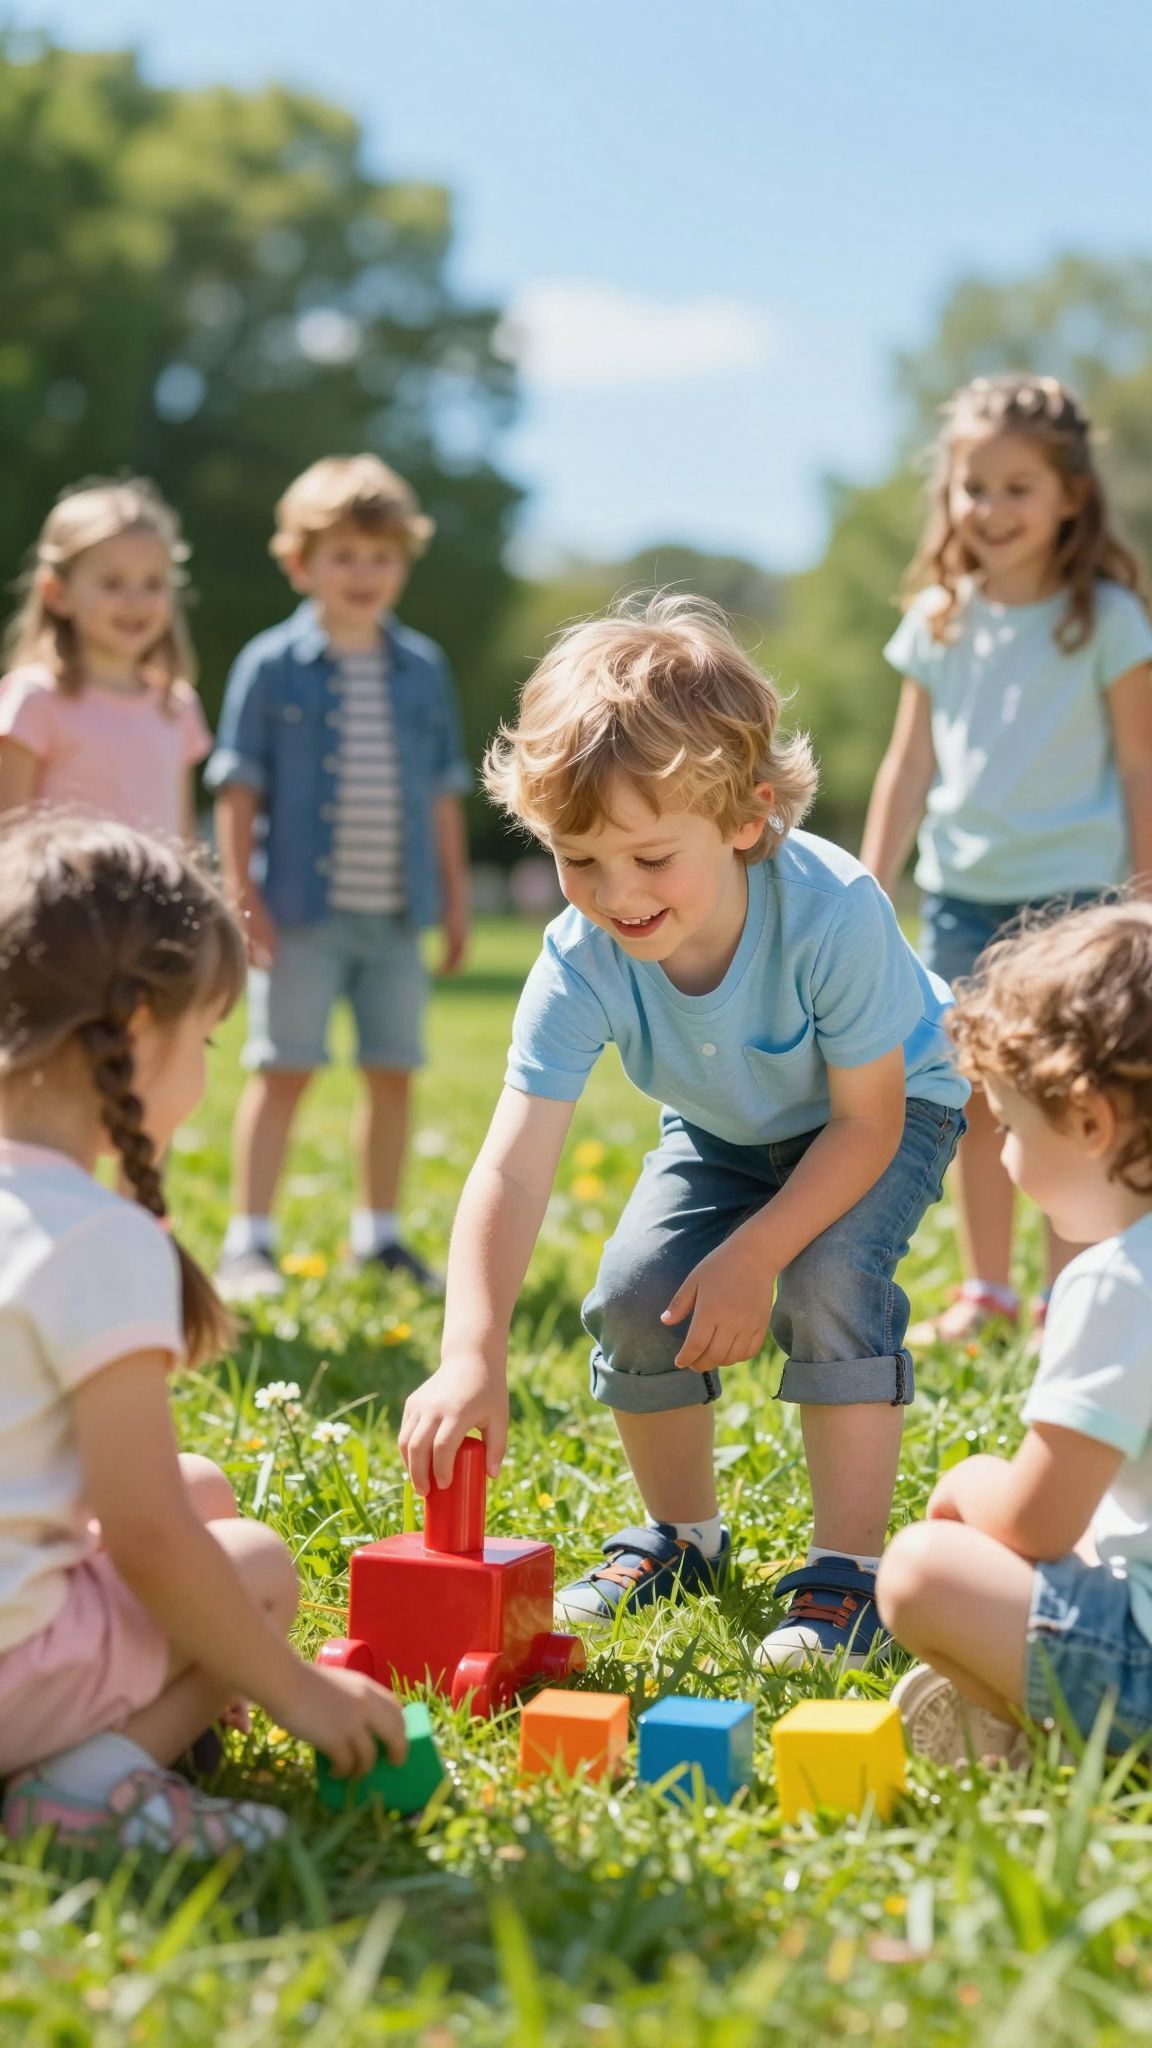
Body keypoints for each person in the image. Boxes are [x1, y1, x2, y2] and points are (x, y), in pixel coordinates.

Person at [400, 595, 968, 1669]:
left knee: (827, 1279)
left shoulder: (834, 911)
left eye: (651, 858)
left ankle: (847, 1572)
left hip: (885, 1108)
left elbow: (866, 1121)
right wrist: (470, 1349)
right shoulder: (580, 954)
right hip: (722, 1130)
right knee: (633, 1290)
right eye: (578, 858)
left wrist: (756, 1251)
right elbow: (512, 1167)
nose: (614, 895)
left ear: (747, 817)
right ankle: (681, 1536)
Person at [0, 814, 405, 1854]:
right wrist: (303, 1693)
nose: (210, 1070)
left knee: (206, 1488)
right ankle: (87, 1784)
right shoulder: (97, 1236)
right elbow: (144, 1536)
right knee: (254, 1563)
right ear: (137, 1028)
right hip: (12, 1670)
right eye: (210, 1038)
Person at [861, 374, 1152, 1347]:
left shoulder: (1106, 616)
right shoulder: (940, 615)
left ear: (1071, 492)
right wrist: (867, 884)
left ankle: (1072, 1297)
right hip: (962, 899)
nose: (991, 508)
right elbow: (907, 766)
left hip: (1078, 900)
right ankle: (988, 1290)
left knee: (1074, 1101)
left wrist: (1145, 895)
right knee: (979, 1101)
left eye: (1017, 486)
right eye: (972, 486)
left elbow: (1139, 760)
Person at [878, 903, 1152, 1765]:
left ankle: (1066, 1740)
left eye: (1009, 1125)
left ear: (1088, 1122)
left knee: (922, 1569)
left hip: (1137, 1662)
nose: (999, 1155)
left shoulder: (1117, 1283)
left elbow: (1035, 1521)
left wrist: (964, 1482)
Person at [206, 455, 472, 1304]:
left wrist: (456, 901)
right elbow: (237, 786)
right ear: (301, 564)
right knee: (282, 1069)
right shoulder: (271, 664)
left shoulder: (422, 668)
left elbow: (442, 793)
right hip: (299, 915)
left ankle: (380, 1233)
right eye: (344, 557)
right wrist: (240, 901)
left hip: (396, 916)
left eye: (381, 557)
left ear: (404, 562)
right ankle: (249, 1240)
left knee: (392, 1070)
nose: (364, 575)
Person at [0, 477, 212, 839]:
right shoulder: (35, 701)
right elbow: (7, 838)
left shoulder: (176, 706)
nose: (136, 600)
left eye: (153, 584)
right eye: (112, 583)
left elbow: (184, 841)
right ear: (57, 594)